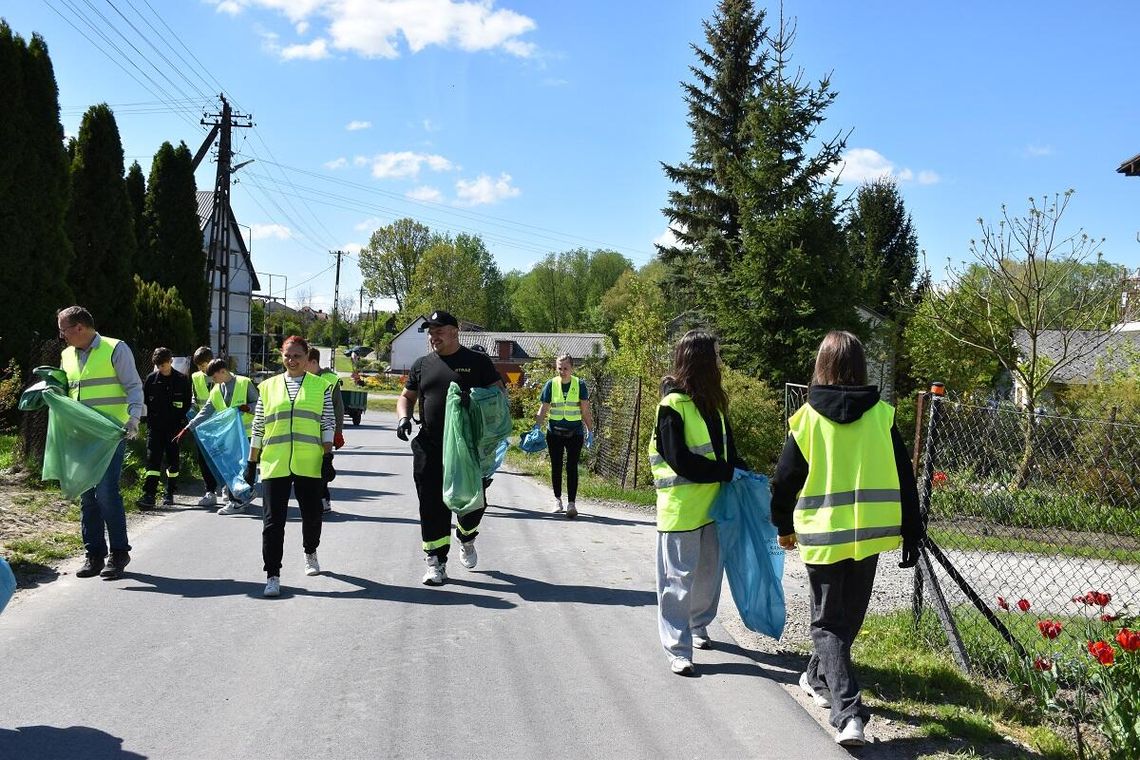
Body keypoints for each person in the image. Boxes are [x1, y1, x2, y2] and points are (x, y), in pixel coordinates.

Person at [771, 330, 922, 748]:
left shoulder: (806, 420)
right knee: (844, 619)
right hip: (868, 537)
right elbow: (905, 479)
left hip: (822, 538)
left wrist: (783, 526)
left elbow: (784, 483)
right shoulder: (882, 417)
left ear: (822, 366)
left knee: (829, 622)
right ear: (860, 368)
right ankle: (843, 702)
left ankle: (840, 704)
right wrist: (913, 530)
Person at [648, 330, 745, 676]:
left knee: (707, 577)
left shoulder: (714, 407)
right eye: (715, 356)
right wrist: (724, 472)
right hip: (681, 510)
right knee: (677, 583)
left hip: (713, 508)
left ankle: (698, 624)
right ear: (703, 361)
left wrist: (745, 476)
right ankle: (678, 648)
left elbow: (729, 454)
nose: (720, 363)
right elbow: (680, 460)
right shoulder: (671, 406)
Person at [396, 310, 504, 586]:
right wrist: (404, 417)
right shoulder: (422, 365)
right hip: (431, 445)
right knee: (431, 505)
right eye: (430, 332)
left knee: (472, 505)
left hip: (469, 448)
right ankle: (436, 562)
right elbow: (406, 396)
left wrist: (476, 400)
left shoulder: (477, 362)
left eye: (439, 331)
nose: (433, 336)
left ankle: (466, 536)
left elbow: (499, 397)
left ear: (455, 332)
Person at [57, 305, 144, 580]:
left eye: (63, 331)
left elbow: (133, 385)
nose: (62, 336)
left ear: (79, 328)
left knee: (106, 492)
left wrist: (134, 419)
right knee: (87, 495)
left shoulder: (116, 348)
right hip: (80, 436)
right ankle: (94, 554)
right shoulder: (66, 355)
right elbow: (66, 391)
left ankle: (119, 553)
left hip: (110, 433)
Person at [247, 336, 335, 597]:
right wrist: (252, 462)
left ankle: (310, 551)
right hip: (275, 462)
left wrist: (328, 456)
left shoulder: (321, 387)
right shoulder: (268, 387)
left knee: (311, 515)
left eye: (297, 355)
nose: (292, 360)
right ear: (281, 356)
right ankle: (272, 574)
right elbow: (259, 425)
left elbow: (327, 423)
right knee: (273, 522)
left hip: (309, 461)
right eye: (287, 355)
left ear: (307, 358)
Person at [181, 358, 259, 515]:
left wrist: (247, 407)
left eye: (215, 377)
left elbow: (259, 404)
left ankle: (240, 499)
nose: (213, 380)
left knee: (244, 467)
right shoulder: (217, 390)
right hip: (230, 436)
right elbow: (206, 411)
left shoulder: (244, 383)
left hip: (247, 434)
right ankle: (239, 499)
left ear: (223, 371)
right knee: (231, 468)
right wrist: (189, 428)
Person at [534, 354, 594, 518]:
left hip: (575, 433)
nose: (562, 371)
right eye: (559, 368)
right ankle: (557, 500)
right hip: (554, 432)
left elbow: (585, 410)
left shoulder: (579, 384)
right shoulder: (551, 384)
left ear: (572, 368)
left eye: (565, 368)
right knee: (556, 466)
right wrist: (537, 427)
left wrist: (590, 430)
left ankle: (571, 503)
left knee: (572, 467)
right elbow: (543, 408)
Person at [137, 347, 191, 510]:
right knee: (153, 460)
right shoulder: (151, 379)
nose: (161, 368)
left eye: (164, 365)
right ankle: (149, 494)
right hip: (156, 428)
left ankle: (169, 492)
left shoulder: (182, 380)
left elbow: (187, 404)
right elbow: (144, 401)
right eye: (158, 365)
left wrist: (181, 424)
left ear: (171, 361)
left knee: (173, 461)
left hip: (174, 428)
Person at [306, 347, 345, 512]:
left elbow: (338, 408)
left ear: (313, 362)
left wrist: (337, 432)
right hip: (307, 430)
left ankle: (323, 499)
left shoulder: (330, 379)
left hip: (324, 431)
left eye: (304, 362)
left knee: (322, 467)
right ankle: (317, 499)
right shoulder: (302, 378)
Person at [189, 346, 219, 507]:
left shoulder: (221, 375)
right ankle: (210, 491)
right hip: (204, 425)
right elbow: (195, 397)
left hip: (220, 424)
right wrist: (192, 408)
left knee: (221, 458)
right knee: (204, 459)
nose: (201, 368)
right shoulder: (196, 377)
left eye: (203, 365)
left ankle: (228, 489)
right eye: (199, 366)